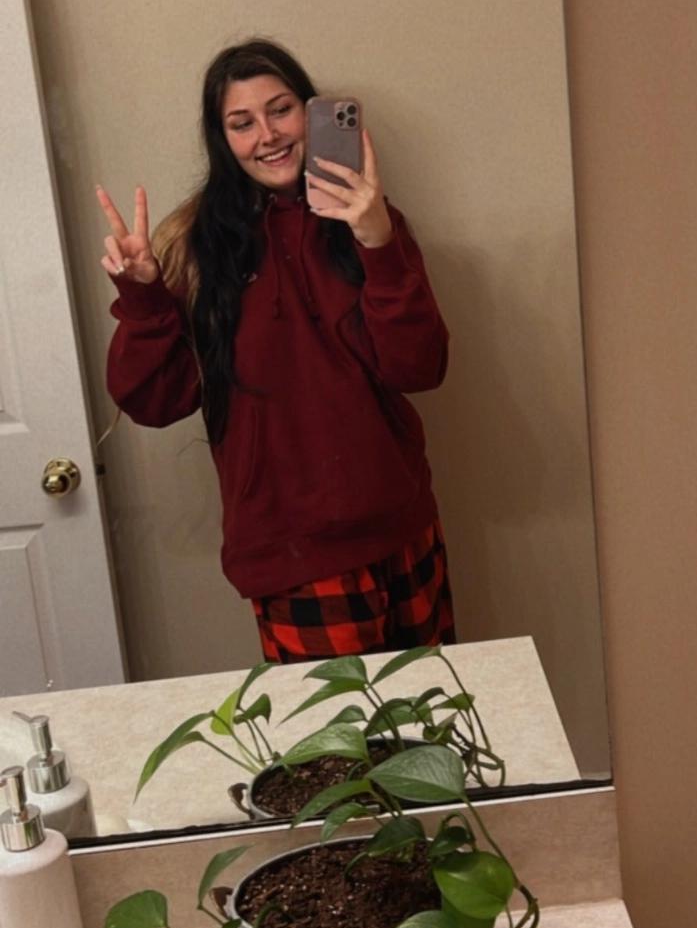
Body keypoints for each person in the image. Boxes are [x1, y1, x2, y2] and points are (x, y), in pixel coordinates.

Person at [97, 38, 455, 662]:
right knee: (337, 730)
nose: (267, 135)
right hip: (292, 557)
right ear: (222, 139)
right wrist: (144, 297)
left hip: (404, 528)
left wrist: (378, 243)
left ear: (310, 112)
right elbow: (153, 401)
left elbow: (420, 367)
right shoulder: (194, 243)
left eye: (281, 110)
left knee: (433, 722)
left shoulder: (371, 221)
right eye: (242, 123)